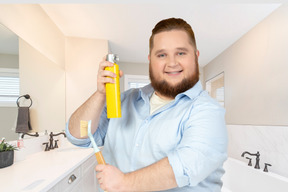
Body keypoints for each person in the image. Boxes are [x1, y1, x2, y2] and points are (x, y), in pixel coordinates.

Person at [66, 17, 228, 192]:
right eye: (162, 55)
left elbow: (187, 164)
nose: (172, 63)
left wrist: (124, 182)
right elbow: (77, 136)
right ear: (151, 59)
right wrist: (99, 95)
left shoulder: (208, 111)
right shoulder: (125, 100)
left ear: (195, 56)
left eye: (181, 53)